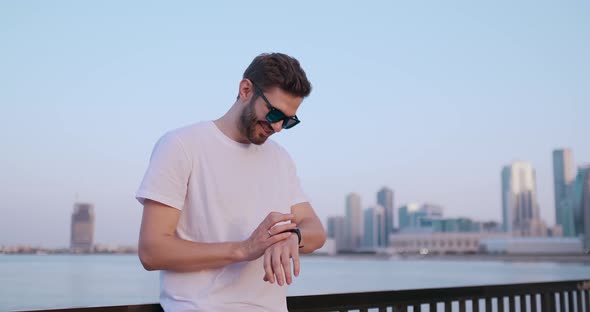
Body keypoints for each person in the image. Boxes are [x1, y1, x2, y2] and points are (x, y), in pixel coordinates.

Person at [136, 52, 326, 312]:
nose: (279, 127)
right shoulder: (181, 146)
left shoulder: (280, 159)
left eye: (289, 120)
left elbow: (315, 229)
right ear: (246, 89)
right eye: (273, 114)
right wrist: (243, 249)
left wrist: (293, 235)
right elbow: (152, 250)